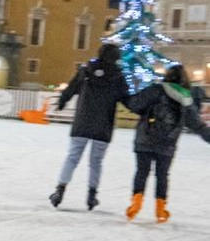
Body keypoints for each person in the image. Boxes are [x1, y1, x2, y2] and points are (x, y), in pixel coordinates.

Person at [48, 43, 131, 210]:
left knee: (72, 157)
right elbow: (128, 100)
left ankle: (60, 190)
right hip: (103, 125)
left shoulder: (86, 70)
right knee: (96, 162)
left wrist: (63, 101)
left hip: (83, 122)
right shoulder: (118, 76)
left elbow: (71, 87)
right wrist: (144, 109)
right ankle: (92, 196)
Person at [124, 64, 210, 223]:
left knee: (141, 172)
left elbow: (134, 104)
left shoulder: (155, 89)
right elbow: (196, 124)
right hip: (167, 143)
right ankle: (160, 210)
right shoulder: (185, 98)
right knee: (162, 175)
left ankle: (135, 204)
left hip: (145, 138)